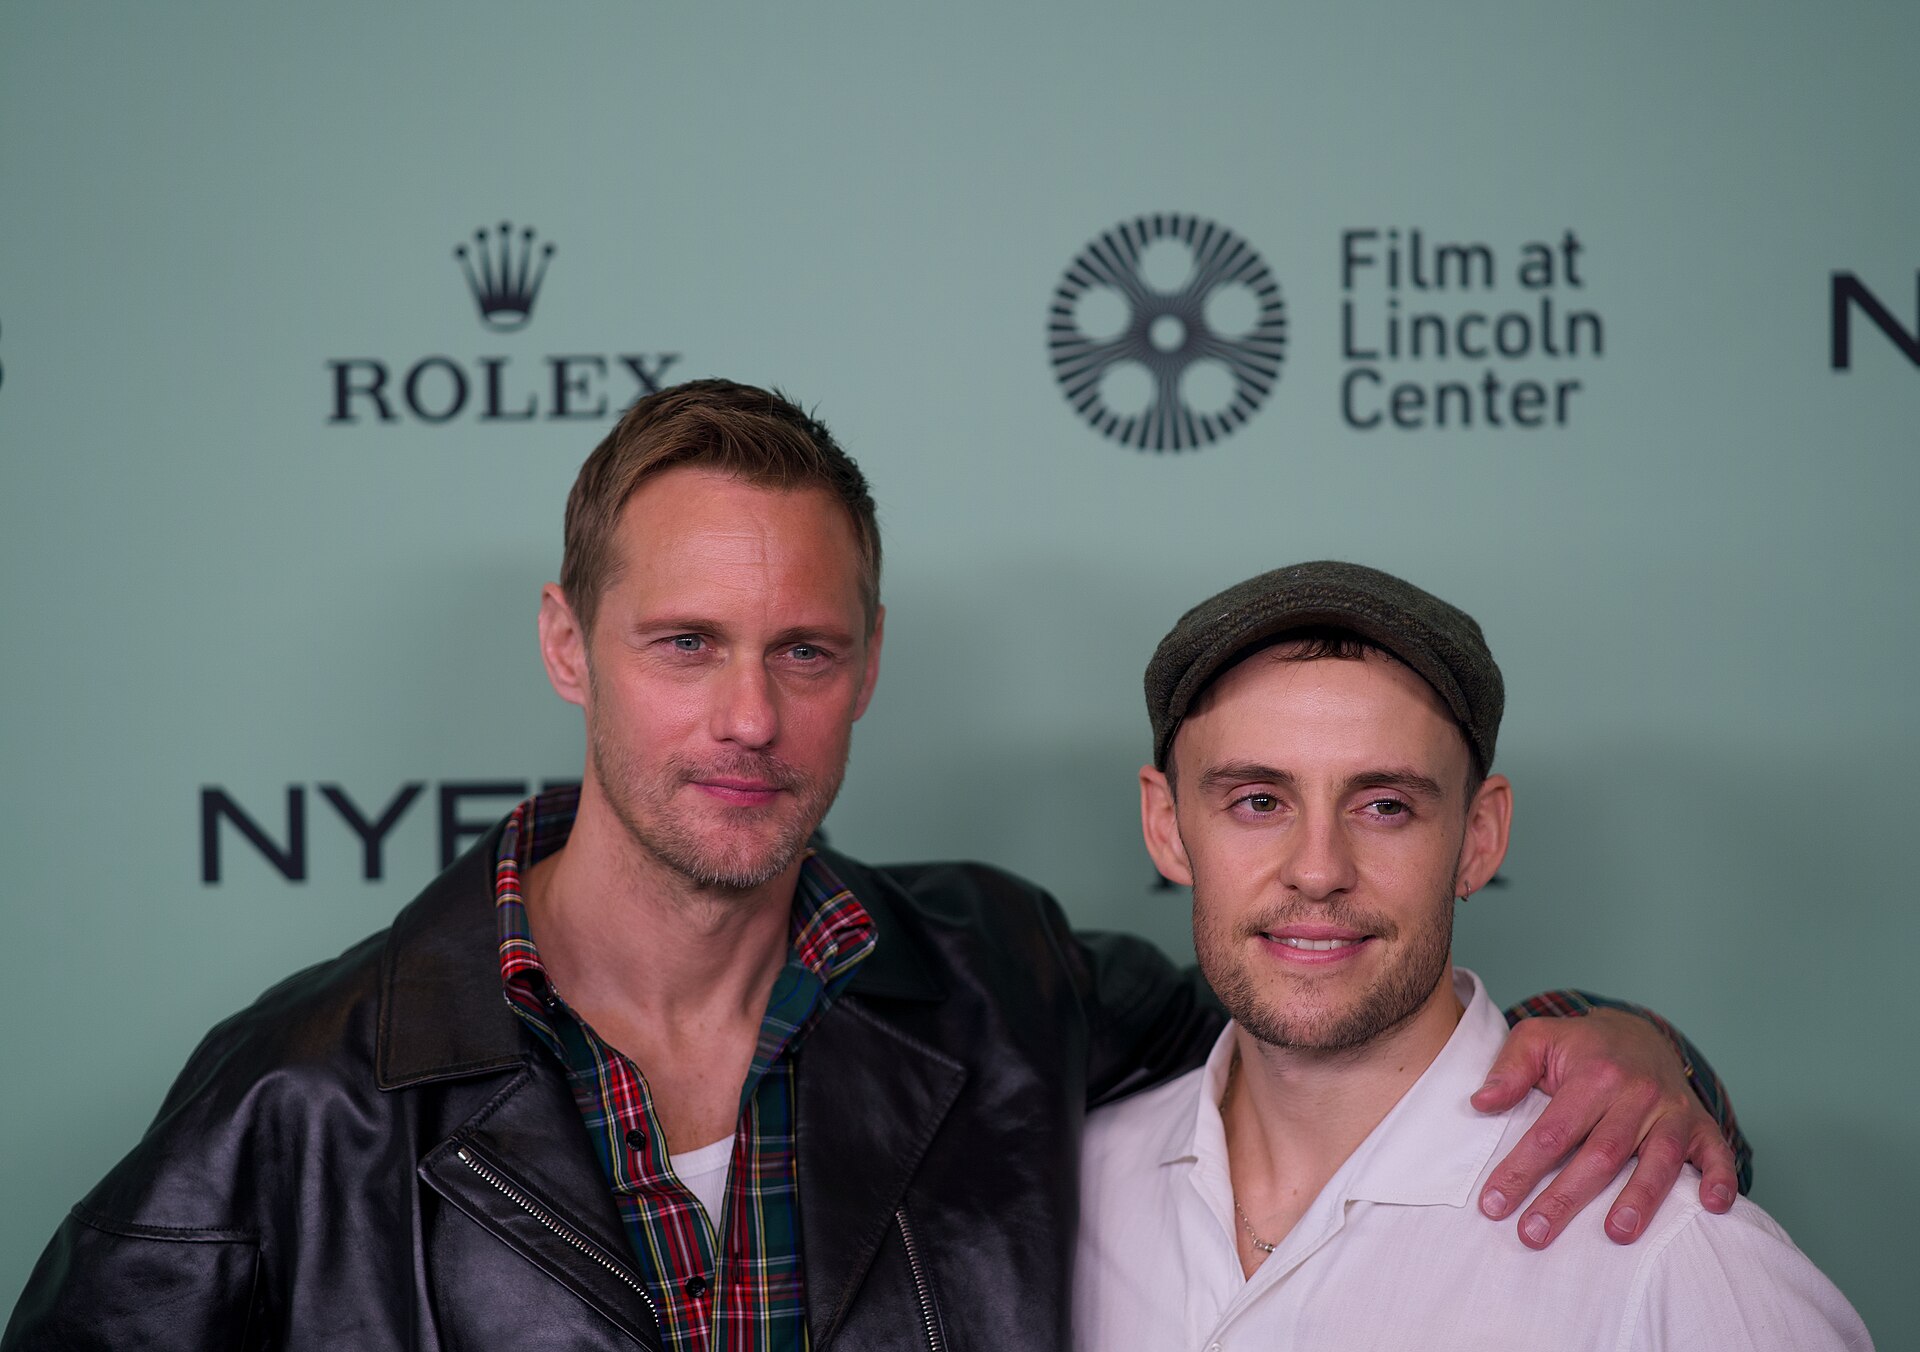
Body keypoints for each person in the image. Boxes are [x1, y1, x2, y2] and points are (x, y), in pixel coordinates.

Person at [8, 385, 1742, 1351]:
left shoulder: (1005, 984)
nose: (748, 718)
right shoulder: (303, 1101)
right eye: (685, 644)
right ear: (567, 643)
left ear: (872, 662)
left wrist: (1621, 1045)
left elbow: (1321, 1016)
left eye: (806, 651)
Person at [1074, 560, 1869, 1350]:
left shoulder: (1679, 1265)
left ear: (1479, 839)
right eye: (1257, 801)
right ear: (1167, 827)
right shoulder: (1063, 1190)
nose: (1318, 870)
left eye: (1386, 806)